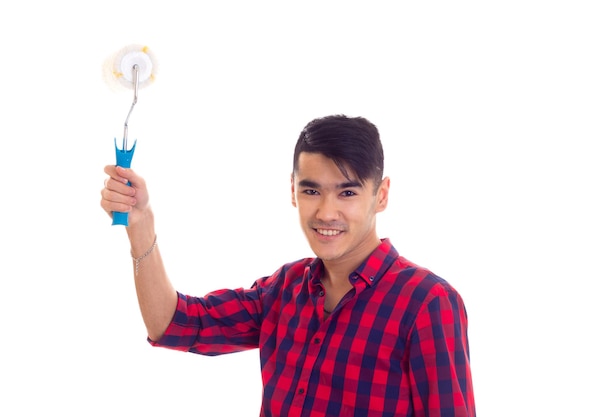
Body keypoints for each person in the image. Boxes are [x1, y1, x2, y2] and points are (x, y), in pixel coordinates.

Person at [100, 114, 475, 416]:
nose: (326, 212)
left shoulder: (427, 302)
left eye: (347, 192)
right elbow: (174, 324)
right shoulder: (285, 288)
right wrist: (141, 223)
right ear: (292, 191)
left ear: (382, 195)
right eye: (311, 190)